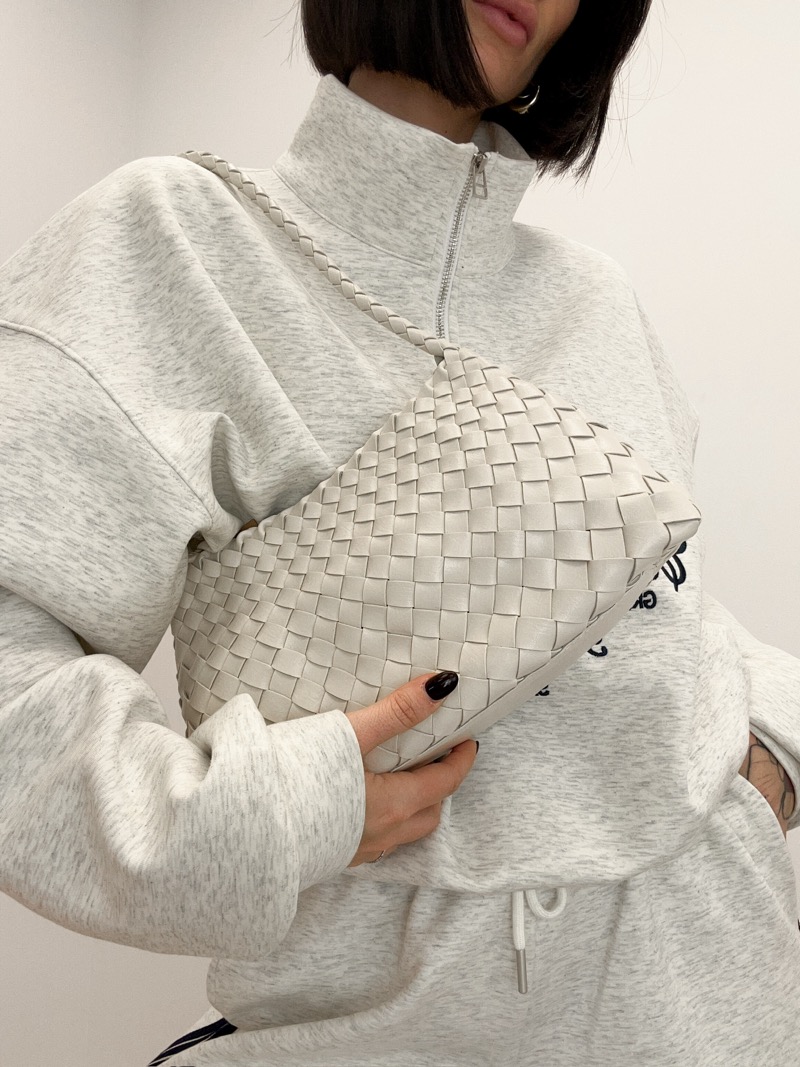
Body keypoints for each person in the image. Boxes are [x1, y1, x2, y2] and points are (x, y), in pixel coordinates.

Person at [1, 0, 798, 1063]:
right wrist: (276, 813)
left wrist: (771, 746)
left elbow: (661, 611)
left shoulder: (593, 299)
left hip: (723, 1003)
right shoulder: (174, 240)